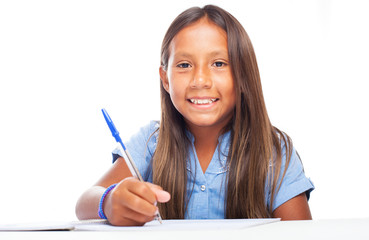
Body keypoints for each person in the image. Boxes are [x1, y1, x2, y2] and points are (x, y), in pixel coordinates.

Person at [75, 5, 314, 226]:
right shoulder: (151, 142)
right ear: (165, 79)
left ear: (243, 75)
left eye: (219, 63)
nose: (200, 80)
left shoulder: (274, 151)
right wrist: (109, 201)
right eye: (184, 65)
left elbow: (300, 234)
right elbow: (84, 203)